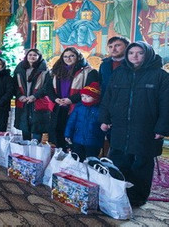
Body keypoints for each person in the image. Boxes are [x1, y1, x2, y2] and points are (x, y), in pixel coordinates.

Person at [100, 41, 169, 207]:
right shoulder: (119, 73)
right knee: (119, 162)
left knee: (141, 164)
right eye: (131, 53)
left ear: (147, 54)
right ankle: (117, 194)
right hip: (120, 127)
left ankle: (137, 198)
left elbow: (166, 104)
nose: (135, 56)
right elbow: (108, 98)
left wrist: (162, 128)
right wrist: (104, 118)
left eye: (139, 53)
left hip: (145, 128)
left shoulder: (160, 75)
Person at [47, 47, 99, 149]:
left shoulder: (89, 72)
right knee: (58, 134)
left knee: (73, 136)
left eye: (72, 56)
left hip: (77, 108)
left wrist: (71, 100)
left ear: (78, 57)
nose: (68, 58)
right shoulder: (56, 70)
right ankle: (60, 157)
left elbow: (91, 91)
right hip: (58, 107)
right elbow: (48, 87)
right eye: (65, 56)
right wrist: (55, 99)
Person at [14, 49, 51, 142]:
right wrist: (20, 96)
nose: (32, 57)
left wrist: (34, 96)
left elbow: (47, 86)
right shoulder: (19, 69)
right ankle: (26, 152)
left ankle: (36, 151)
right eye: (30, 55)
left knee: (37, 129)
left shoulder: (45, 70)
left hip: (38, 102)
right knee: (25, 127)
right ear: (26, 56)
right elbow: (14, 85)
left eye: (35, 55)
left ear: (39, 57)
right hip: (24, 101)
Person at [64, 82, 105, 161]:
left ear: (96, 97)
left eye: (88, 96)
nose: (84, 98)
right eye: (82, 96)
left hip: (93, 141)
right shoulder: (78, 107)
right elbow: (71, 122)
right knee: (77, 159)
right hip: (77, 140)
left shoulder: (100, 109)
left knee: (92, 161)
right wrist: (68, 134)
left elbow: (104, 125)